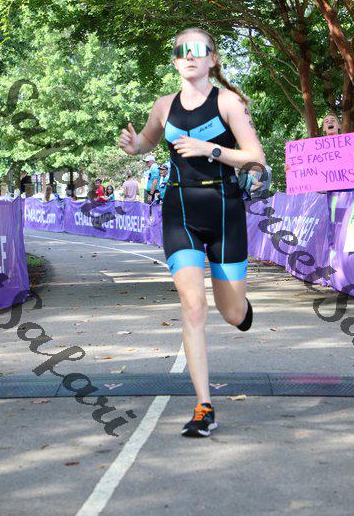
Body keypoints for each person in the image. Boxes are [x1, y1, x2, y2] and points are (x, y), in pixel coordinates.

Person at [119, 27, 265, 437]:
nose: (189, 55)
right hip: (179, 211)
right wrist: (133, 145)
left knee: (231, 313)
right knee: (193, 305)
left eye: (198, 49)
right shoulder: (163, 106)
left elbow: (255, 158)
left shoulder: (228, 102)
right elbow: (145, 143)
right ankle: (204, 405)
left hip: (225, 211)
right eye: (182, 50)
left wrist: (209, 150)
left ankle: (241, 310)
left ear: (212, 59)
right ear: (174, 60)